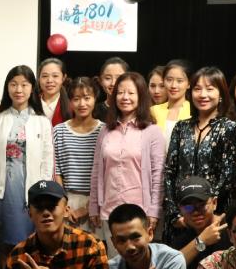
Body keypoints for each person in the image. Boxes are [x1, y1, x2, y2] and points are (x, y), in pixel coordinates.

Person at [0, 66, 54, 247]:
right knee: (1, 243)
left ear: (32, 88)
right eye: (13, 84)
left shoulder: (42, 121)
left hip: (32, 193)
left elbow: (47, 162)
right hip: (2, 192)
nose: (18, 90)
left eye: (24, 84)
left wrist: (44, 193)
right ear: (7, 87)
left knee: (30, 243)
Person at [89, 71, 164, 240]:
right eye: (121, 92)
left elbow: (158, 175)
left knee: (138, 255)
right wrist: (94, 206)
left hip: (141, 212)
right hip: (109, 211)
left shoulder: (152, 131)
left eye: (131, 93)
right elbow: (96, 171)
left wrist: (154, 210)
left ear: (141, 96)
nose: (125, 97)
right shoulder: (105, 130)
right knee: (113, 256)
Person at [163, 66, 236, 224]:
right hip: (181, 214)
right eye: (197, 89)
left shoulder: (230, 128)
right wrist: (176, 215)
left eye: (210, 89)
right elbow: (169, 173)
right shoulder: (180, 127)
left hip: (213, 215)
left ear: (221, 94)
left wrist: (204, 210)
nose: (203, 94)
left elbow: (228, 178)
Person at [52, 77, 103, 234]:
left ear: (95, 98)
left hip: (97, 202)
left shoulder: (105, 131)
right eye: (76, 99)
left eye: (87, 98)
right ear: (70, 101)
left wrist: (88, 208)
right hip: (67, 201)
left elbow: (106, 172)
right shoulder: (59, 130)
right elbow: (57, 170)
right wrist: (64, 204)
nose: (82, 104)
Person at [150, 59, 192, 147]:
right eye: (169, 80)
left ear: (188, 84)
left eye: (179, 81)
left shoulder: (194, 111)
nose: (173, 85)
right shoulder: (153, 111)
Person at [93, 56, 129, 123]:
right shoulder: (93, 111)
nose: (113, 83)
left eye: (118, 78)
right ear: (100, 81)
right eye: (108, 78)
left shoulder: (135, 110)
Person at [37, 57, 70, 126]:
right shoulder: (31, 104)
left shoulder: (71, 107)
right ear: (39, 78)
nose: (49, 80)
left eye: (55, 76)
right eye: (45, 76)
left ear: (63, 78)